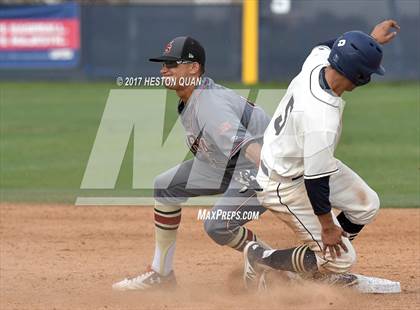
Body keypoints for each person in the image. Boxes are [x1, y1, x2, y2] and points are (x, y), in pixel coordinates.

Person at [243, 20, 400, 289]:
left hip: (297, 159)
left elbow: (330, 45)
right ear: (360, 77)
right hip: (282, 182)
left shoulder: (318, 63)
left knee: (367, 205)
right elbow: (317, 185)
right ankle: (261, 258)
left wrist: (368, 41)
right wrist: (328, 228)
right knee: (342, 259)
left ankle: (317, 264)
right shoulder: (321, 119)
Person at [112, 36, 272, 290]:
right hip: (226, 166)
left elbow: (249, 146)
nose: (163, 70)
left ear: (193, 68)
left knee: (217, 225)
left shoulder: (209, 104)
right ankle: (161, 274)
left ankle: (274, 263)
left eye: (172, 64)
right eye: (163, 64)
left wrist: (276, 178)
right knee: (165, 185)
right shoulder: (192, 97)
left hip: (259, 167)